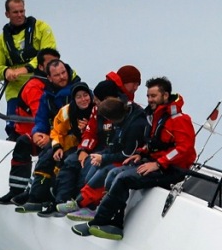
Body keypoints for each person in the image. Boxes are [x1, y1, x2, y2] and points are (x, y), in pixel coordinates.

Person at [84, 76, 196, 240]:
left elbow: (183, 149)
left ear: (165, 95)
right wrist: (141, 153)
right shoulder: (156, 116)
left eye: (154, 96)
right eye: (148, 96)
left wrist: (158, 164)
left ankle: (102, 222)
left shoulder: (179, 120)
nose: (150, 99)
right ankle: (112, 221)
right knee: (114, 173)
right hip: (157, 163)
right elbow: (155, 143)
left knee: (123, 178)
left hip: (172, 169)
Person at [0, 58, 79, 204]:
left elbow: (72, 124)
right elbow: (40, 119)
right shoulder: (47, 95)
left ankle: (36, 194)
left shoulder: (77, 92)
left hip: (68, 139)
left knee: (48, 153)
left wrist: (51, 137)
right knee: (23, 142)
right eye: (57, 75)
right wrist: (37, 133)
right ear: (49, 78)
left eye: (63, 73)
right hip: (52, 136)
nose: (62, 77)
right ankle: (16, 190)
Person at [60, 86, 149, 219]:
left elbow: (127, 154)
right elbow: (114, 144)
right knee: (92, 168)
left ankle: (86, 206)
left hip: (133, 159)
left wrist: (104, 158)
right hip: (120, 155)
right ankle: (83, 203)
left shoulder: (134, 126)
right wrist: (101, 156)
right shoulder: (120, 120)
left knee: (106, 171)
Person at [16, 82, 94, 215]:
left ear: (90, 96)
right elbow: (56, 131)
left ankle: (59, 202)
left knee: (67, 162)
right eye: (78, 97)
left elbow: (99, 133)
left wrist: (88, 128)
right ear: (74, 99)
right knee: (47, 156)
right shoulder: (67, 111)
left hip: (88, 148)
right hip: (70, 144)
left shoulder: (96, 110)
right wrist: (57, 147)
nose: (83, 99)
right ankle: (35, 198)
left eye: (85, 95)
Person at [0, 0, 56, 138]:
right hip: (15, 92)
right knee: (13, 129)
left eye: (22, 11)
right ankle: (15, 147)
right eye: (15, 12)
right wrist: (6, 71)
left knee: (44, 124)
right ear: (7, 14)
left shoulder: (42, 28)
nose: (20, 15)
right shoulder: (2, 40)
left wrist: (26, 69)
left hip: (40, 87)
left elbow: (49, 54)